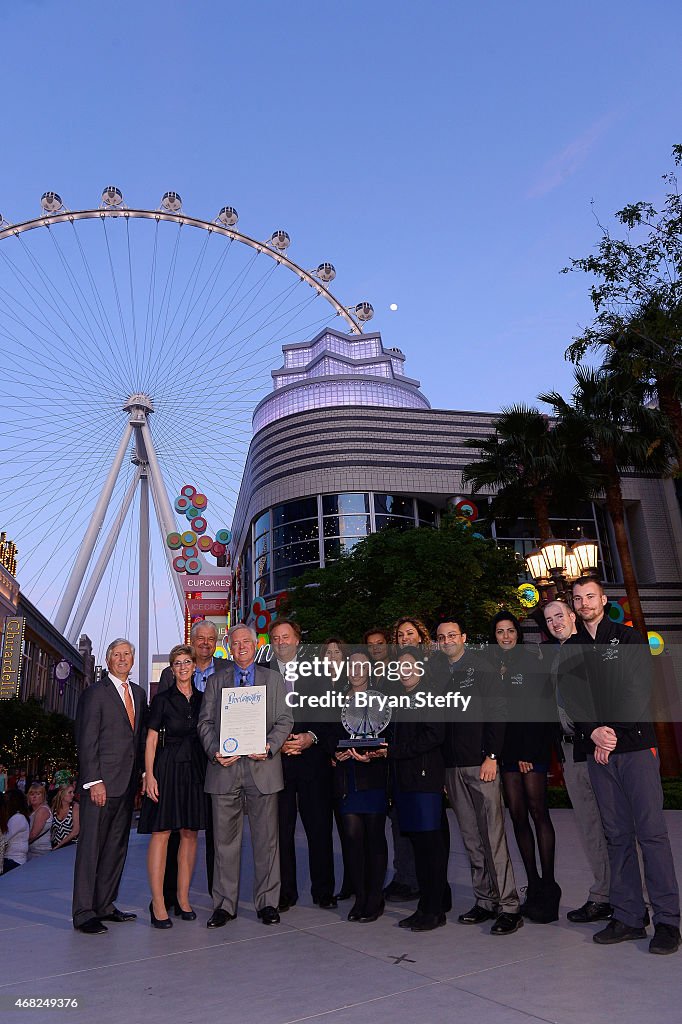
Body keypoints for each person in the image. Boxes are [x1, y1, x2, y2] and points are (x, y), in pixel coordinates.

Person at [571, 577, 681, 955]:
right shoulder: (572, 647)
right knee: (617, 837)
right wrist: (594, 733)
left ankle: (668, 921)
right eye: (578, 598)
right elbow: (573, 699)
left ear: (603, 599)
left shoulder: (628, 637)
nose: (585, 602)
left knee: (651, 834)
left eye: (590, 596)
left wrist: (611, 733)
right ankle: (630, 917)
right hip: (599, 753)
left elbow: (638, 689)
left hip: (634, 749)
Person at [197, 623, 293, 927]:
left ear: (255, 645)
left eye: (246, 643)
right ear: (229, 646)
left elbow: (284, 720)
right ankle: (224, 905)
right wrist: (215, 751)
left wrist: (269, 746)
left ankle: (268, 903)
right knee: (224, 843)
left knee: (267, 841)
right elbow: (205, 723)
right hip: (224, 771)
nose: (241, 648)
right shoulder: (215, 681)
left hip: (262, 768)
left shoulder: (273, 679)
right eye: (235, 644)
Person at [436, 619, 523, 935]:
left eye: (452, 635)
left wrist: (492, 756)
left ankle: (510, 906)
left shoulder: (482, 667)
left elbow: (498, 714)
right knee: (472, 840)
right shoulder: (438, 673)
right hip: (452, 769)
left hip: (481, 764)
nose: (447, 640)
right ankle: (485, 901)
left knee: (493, 837)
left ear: (464, 637)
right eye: (441, 637)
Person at [542, 600, 612, 924]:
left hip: (596, 749)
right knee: (589, 827)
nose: (555, 622)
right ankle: (605, 895)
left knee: (613, 827)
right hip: (570, 753)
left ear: (572, 616)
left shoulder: (589, 651)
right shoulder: (555, 658)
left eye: (560, 615)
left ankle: (618, 896)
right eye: (549, 619)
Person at [72, 638, 147, 935]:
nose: (122, 658)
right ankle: (83, 912)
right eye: (117, 654)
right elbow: (86, 738)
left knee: (117, 847)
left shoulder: (139, 695)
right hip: (100, 785)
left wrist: (141, 775)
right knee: (91, 848)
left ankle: (105, 904)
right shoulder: (95, 694)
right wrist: (93, 780)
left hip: (126, 784)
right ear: (109, 658)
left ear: (132, 659)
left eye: (127, 654)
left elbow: (137, 739)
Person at [491, 611, 561, 923]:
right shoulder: (493, 667)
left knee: (537, 813)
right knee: (517, 817)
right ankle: (532, 884)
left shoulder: (532, 663)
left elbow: (540, 710)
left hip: (530, 750)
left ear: (518, 634)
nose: (506, 636)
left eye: (510, 631)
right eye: (500, 632)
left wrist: (528, 752)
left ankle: (549, 885)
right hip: (505, 754)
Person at [269, 618, 336, 912]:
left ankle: (324, 891)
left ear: (298, 640)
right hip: (277, 764)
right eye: (276, 638)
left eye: (286, 636)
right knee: (281, 832)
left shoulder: (319, 674)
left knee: (319, 829)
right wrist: (275, 742)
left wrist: (312, 736)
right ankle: (286, 892)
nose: (281, 642)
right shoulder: (263, 675)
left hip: (313, 762)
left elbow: (330, 713)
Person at [138, 644, 208, 928]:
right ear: (172, 668)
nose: (182, 667)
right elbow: (151, 739)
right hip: (166, 769)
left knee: (190, 833)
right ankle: (158, 903)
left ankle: (183, 898)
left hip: (194, 769)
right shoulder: (162, 699)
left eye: (187, 662)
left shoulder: (204, 699)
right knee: (162, 832)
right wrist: (149, 775)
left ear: (194, 666)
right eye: (177, 663)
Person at [157, 620, 220, 908]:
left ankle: (217, 894)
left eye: (211, 638)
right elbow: (157, 725)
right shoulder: (173, 676)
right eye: (200, 638)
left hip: (216, 762)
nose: (205, 643)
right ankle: (169, 895)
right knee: (174, 830)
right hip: (180, 763)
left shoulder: (227, 671)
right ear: (192, 641)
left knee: (213, 830)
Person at [388, 647, 449, 932]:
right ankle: (426, 905)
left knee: (430, 848)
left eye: (409, 666)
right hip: (406, 781)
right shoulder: (400, 698)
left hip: (425, 781)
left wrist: (398, 751)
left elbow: (435, 735)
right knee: (419, 847)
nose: (404, 671)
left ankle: (434, 909)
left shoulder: (430, 694)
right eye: (399, 667)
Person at [332, 651, 389, 922]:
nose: (356, 670)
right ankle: (361, 897)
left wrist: (375, 751)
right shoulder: (335, 698)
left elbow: (388, 733)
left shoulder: (382, 699)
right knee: (353, 838)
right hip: (347, 778)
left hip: (374, 776)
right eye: (351, 665)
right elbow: (329, 734)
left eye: (361, 665)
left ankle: (375, 898)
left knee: (374, 836)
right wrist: (335, 753)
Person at [383, 617, 429, 904]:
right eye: (400, 635)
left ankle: (424, 884)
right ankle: (405, 878)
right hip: (399, 767)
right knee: (400, 823)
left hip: (425, 767)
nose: (405, 638)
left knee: (426, 830)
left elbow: (433, 730)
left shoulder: (432, 674)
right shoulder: (395, 679)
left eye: (410, 633)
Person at [1, 790, 29, 872]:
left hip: (13, 860)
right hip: (12, 860)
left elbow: (4, 838)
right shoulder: (18, 817)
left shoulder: (17, 818)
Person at [27, 783, 54, 859]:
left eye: (38, 794)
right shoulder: (34, 811)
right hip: (34, 850)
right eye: (32, 794)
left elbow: (33, 834)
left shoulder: (42, 810)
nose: (34, 797)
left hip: (39, 851)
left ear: (43, 796)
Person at [51, 782, 80, 850]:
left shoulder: (75, 807)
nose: (73, 795)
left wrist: (59, 846)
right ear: (62, 793)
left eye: (73, 792)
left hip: (71, 846)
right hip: (56, 846)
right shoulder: (54, 808)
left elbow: (75, 831)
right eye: (70, 792)